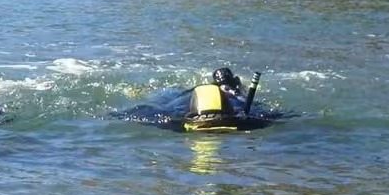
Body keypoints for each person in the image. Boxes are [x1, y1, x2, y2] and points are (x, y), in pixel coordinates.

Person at [112, 66, 280, 132]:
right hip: (182, 99)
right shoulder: (171, 116)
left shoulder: (242, 112)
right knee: (165, 94)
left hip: (185, 100)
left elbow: (137, 112)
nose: (210, 123)